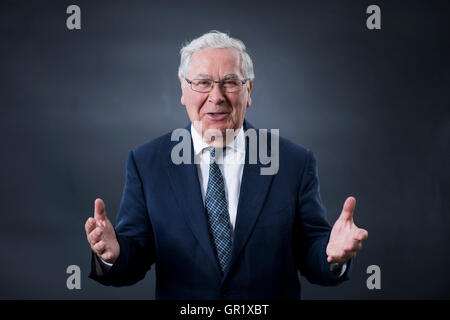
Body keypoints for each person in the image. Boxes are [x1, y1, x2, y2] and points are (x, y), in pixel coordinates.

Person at [85, 30, 368, 299]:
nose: (217, 96)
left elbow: (311, 251)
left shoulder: (293, 162)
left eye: (230, 82)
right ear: (183, 89)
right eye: (203, 83)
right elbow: (134, 258)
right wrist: (113, 254)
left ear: (249, 90)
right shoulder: (147, 163)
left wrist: (332, 255)